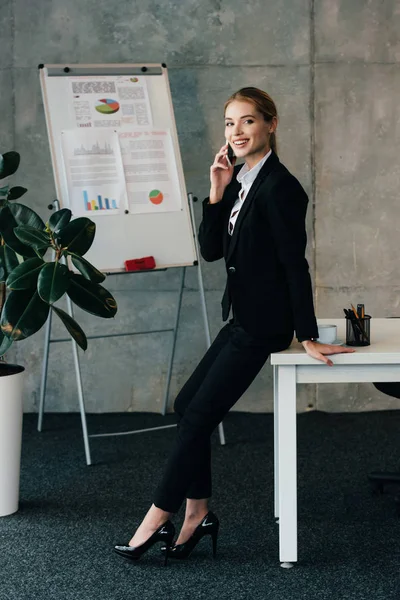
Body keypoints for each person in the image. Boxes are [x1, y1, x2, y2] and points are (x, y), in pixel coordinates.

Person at [114, 86, 356, 565]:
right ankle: (198, 513)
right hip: (241, 317)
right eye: (230, 123)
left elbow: (294, 265)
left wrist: (305, 333)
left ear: (271, 124)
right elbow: (210, 250)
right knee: (189, 407)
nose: (237, 132)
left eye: (247, 121)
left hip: (264, 324)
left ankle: (157, 517)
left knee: (198, 417)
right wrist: (217, 190)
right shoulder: (242, 179)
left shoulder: (282, 188)